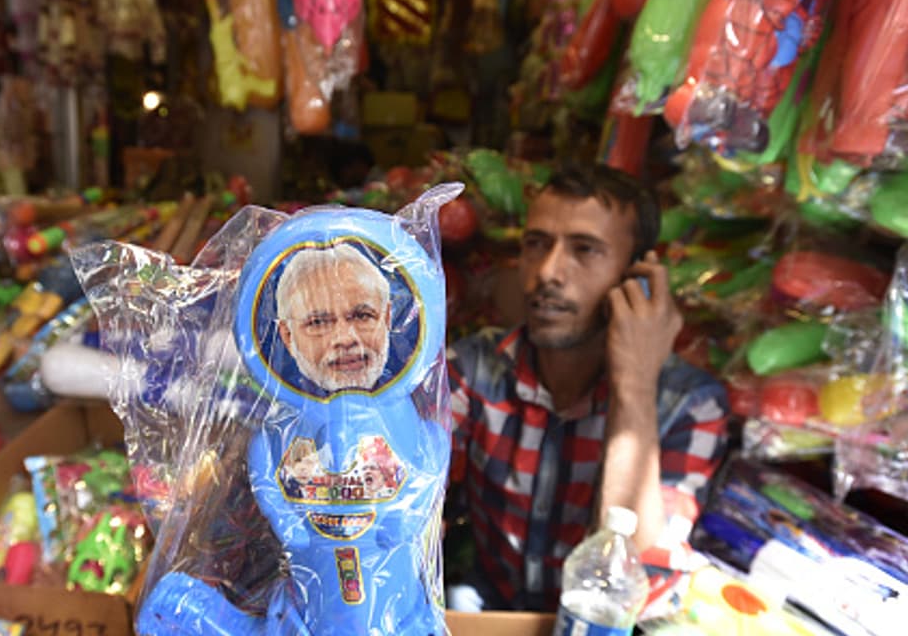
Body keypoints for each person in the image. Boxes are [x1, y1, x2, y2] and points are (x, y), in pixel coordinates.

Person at [445, 163, 729, 612]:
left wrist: (634, 384)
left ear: (636, 278)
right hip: (489, 605)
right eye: (537, 244)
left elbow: (636, 582)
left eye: (585, 250)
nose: (548, 272)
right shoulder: (474, 368)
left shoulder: (689, 405)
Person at [276, 244, 393, 394]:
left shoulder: (419, 399)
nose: (346, 339)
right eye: (318, 322)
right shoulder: (266, 405)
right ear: (288, 336)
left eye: (362, 316)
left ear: (387, 319)